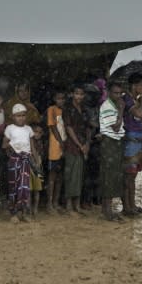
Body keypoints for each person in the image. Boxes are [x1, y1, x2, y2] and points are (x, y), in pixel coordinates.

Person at [122, 72, 142, 216]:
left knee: (133, 176)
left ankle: (132, 206)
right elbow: (138, 114)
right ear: (134, 86)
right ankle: (127, 207)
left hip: (138, 140)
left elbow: (140, 120)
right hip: (130, 142)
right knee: (129, 176)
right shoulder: (127, 99)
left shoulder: (135, 99)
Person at [3, 103, 38, 223]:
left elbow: (32, 147)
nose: (21, 118)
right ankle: (13, 213)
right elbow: (4, 145)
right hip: (14, 160)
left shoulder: (28, 129)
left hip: (25, 161)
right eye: (18, 116)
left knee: (24, 187)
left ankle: (23, 212)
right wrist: (13, 144)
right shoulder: (10, 128)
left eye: (23, 115)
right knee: (13, 187)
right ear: (13, 117)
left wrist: (36, 158)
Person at [98, 81, 125, 221]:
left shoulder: (113, 104)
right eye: (116, 93)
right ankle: (107, 211)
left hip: (115, 142)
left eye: (120, 93)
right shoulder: (108, 106)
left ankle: (106, 209)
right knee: (108, 175)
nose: (118, 95)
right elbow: (115, 127)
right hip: (109, 142)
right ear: (109, 92)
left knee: (112, 175)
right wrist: (121, 110)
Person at [62, 84, 90, 215]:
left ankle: (77, 205)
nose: (79, 96)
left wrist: (87, 144)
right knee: (70, 175)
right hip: (72, 145)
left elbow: (88, 127)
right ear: (72, 94)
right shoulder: (67, 109)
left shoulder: (84, 109)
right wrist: (79, 144)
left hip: (83, 145)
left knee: (79, 176)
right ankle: (69, 206)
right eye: (77, 93)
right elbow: (69, 128)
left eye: (81, 94)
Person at [45, 90, 66, 213]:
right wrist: (61, 142)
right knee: (52, 176)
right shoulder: (51, 110)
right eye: (59, 98)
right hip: (55, 147)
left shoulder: (66, 110)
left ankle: (56, 202)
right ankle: (49, 204)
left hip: (64, 146)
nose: (61, 100)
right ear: (54, 98)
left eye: (63, 98)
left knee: (60, 177)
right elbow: (52, 127)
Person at [30, 123, 46, 218]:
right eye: (35, 132)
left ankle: (35, 209)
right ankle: (29, 208)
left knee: (37, 189)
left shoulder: (41, 143)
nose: (37, 134)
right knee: (29, 190)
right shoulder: (29, 142)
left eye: (40, 132)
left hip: (38, 169)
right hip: (30, 167)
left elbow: (41, 156)